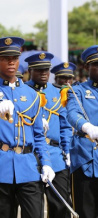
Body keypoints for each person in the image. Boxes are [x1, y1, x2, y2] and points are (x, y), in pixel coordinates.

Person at [0, 37, 55, 218]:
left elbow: (39, 135)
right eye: (5, 58)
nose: (11, 62)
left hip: (27, 167)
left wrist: (47, 163)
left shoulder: (32, 95)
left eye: (14, 57)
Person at [25, 53, 72, 218]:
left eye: (46, 69)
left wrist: (67, 150)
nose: (44, 73)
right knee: (33, 210)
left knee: (61, 207)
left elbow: (65, 126)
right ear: (30, 70)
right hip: (30, 156)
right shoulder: (23, 91)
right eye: (39, 70)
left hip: (55, 157)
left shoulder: (58, 93)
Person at [66, 45, 98, 218]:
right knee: (85, 213)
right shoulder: (77, 90)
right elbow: (72, 113)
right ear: (87, 67)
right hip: (86, 161)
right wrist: (87, 127)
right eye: (96, 65)